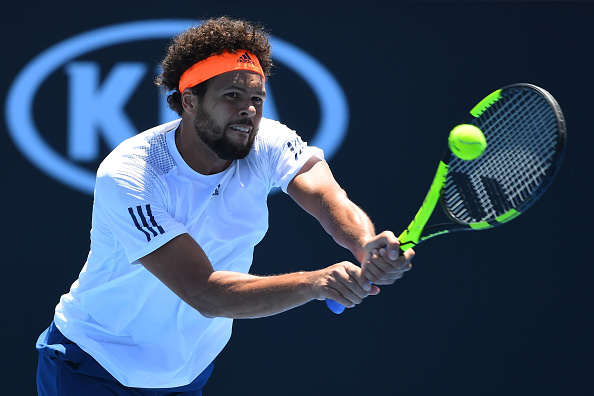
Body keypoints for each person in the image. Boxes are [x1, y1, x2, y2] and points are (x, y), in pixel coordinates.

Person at [36, 16, 415, 395]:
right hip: (91, 367)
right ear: (189, 101)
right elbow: (204, 291)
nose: (248, 110)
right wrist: (315, 283)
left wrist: (363, 243)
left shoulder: (268, 141)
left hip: (186, 375)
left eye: (256, 99)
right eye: (231, 96)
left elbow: (327, 198)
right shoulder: (131, 174)